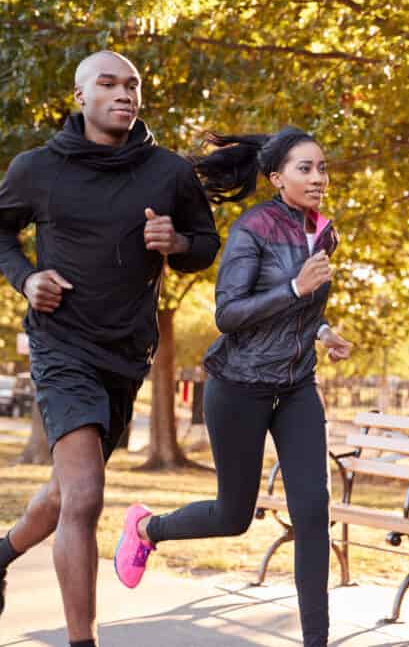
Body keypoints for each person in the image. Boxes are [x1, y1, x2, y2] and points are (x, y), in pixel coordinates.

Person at [0, 50, 221, 647]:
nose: (124, 93)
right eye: (107, 84)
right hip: (61, 346)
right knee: (85, 497)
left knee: (62, 498)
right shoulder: (37, 169)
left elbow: (206, 244)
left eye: (132, 84)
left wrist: (177, 239)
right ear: (80, 97)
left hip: (126, 355)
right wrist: (26, 278)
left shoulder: (168, 172)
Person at [113, 126, 353, 647]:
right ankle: (146, 529)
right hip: (239, 386)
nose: (318, 178)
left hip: (295, 388)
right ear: (276, 178)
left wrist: (323, 331)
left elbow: (302, 312)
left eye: (322, 168)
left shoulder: (324, 232)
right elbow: (229, 314)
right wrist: (295, 287)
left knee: (313, 512)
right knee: (233, 517)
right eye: (304, 169)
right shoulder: (254, 228)